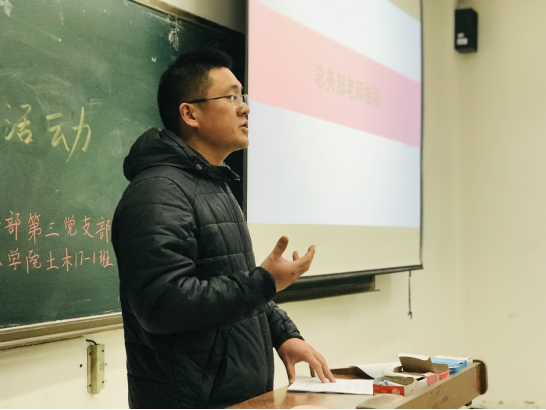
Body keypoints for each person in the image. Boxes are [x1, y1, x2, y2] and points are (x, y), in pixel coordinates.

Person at [112, 48, 335, 409]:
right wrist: (265, 281)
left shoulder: (212, 184)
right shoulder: (158, 193)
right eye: (231, 97)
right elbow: (162, 304)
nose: (244, 108)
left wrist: (283, 335)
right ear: (190, 114)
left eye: (242, 97)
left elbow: (230, 283)